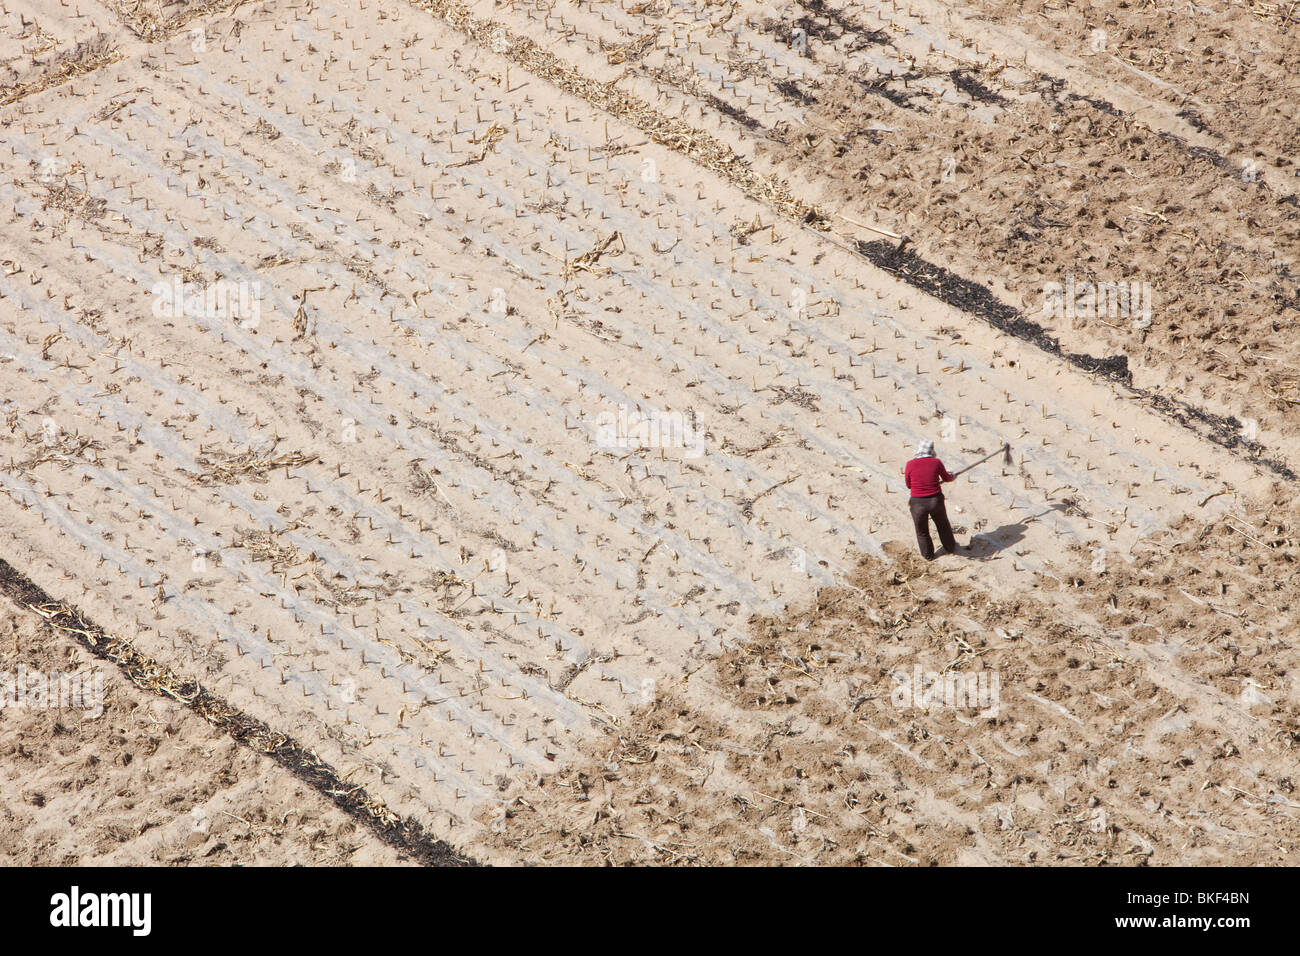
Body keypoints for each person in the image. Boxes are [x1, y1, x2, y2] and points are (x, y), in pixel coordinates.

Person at [904, 439, 962, 560]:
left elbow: (909, 485)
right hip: (935, 501)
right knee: (943, 525)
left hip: (917, 503)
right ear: (932, 450)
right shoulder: (936, 462)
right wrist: (953, 476)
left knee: (921, 531)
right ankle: (950, 547)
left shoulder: (910, 464)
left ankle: (928, 555)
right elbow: (946, 478)